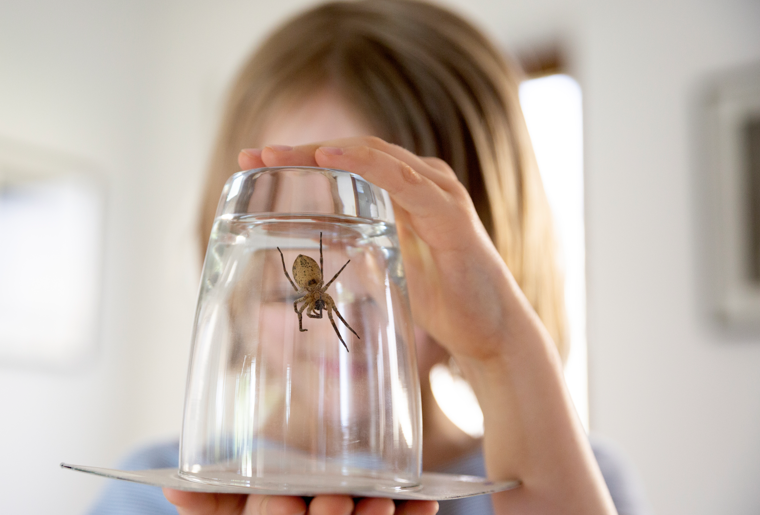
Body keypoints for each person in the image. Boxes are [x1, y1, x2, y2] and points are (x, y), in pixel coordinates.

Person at [90, 1, 649, 514]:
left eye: (397, 252)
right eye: (301, 228)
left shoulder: (573, 476)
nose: (353, 301)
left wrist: (503, 349)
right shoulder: (151, 494)